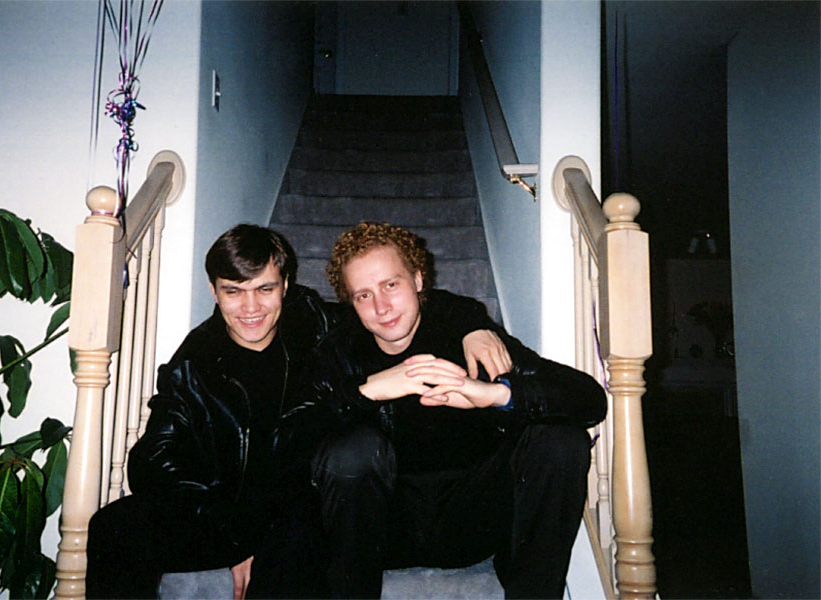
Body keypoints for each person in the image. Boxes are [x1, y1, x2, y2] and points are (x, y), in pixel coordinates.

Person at [85, 223, 512, 599]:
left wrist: (472, 323)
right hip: (223, 509)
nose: (251, 308)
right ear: (214, 292)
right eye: (233, 291)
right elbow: (151, 462)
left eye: (264, 289)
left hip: (297, 500)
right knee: (114, 525)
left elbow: (387, 308)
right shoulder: (196, 360)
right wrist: (235, 533)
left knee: (296, 531)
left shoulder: (314, 322)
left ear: (285, 286)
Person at [297, 222, 607, 599]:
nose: (381, 307)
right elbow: (294, 435)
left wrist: (495, 395)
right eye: (363, 295)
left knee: (561, 441)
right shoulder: (339, 350)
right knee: (353, 449)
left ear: (418, 279)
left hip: (473, 518)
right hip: (384, 531)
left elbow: (589, 399)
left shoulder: (466, 334)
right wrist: (367, 391)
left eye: (391, 285)